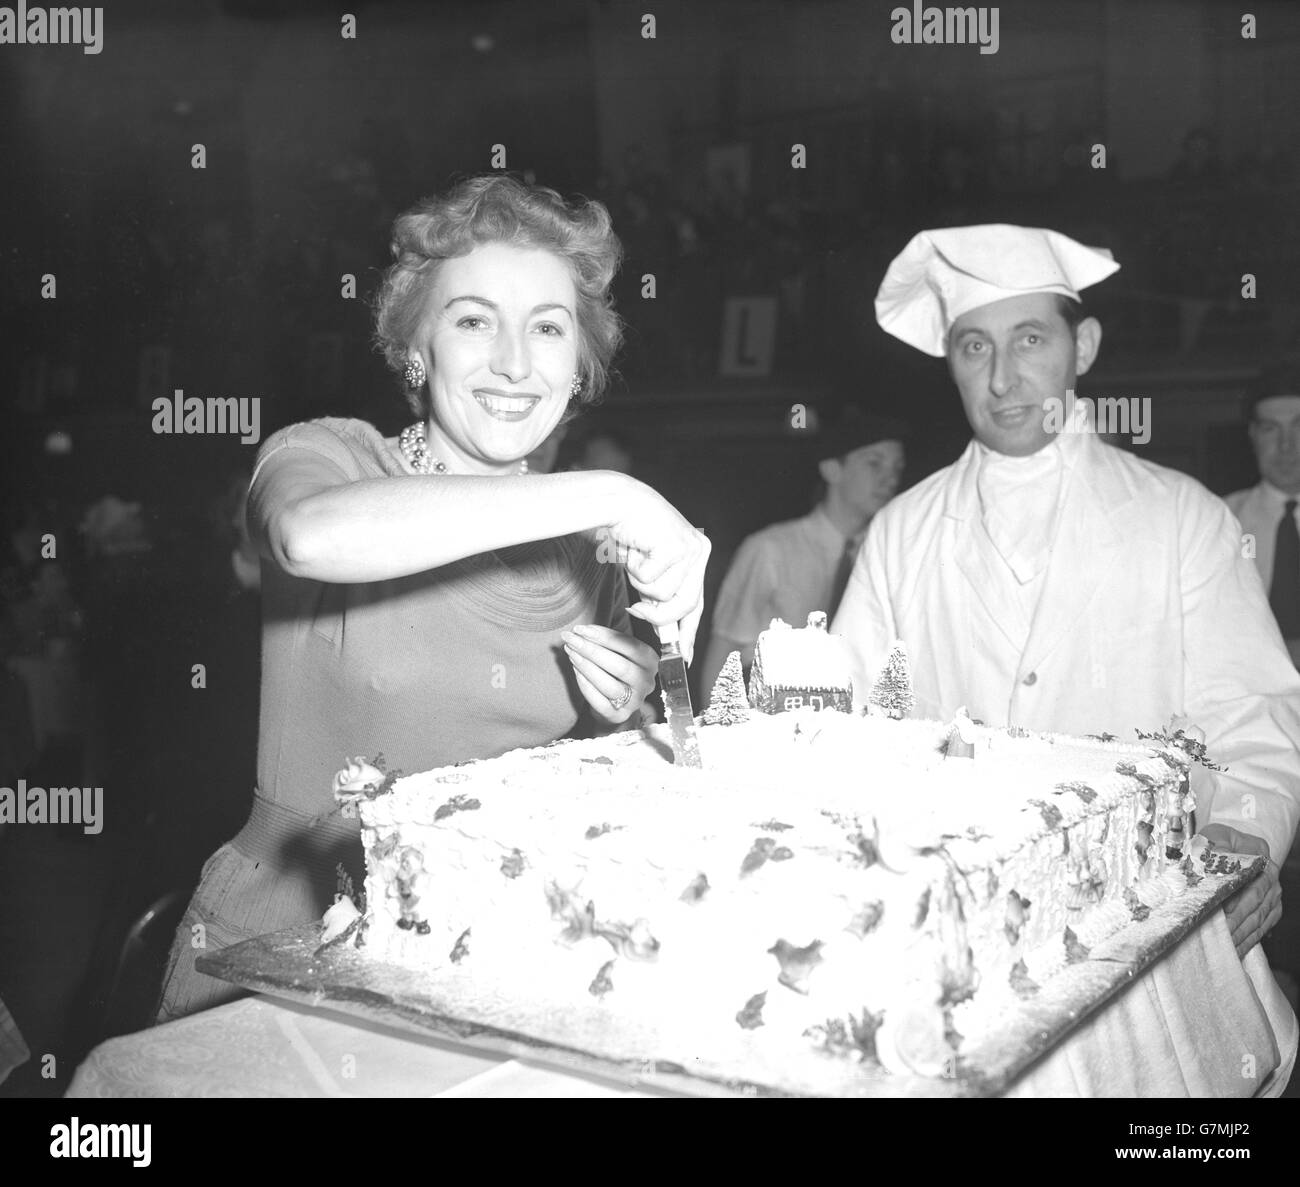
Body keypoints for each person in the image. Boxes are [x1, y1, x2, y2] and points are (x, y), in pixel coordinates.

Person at [154, 175, 710, 1022]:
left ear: (579, 368)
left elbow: (637, 799)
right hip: (269, 957)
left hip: (482, 961)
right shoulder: (331, 457)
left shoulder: (590, 551)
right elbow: (308, 535)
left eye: (549, 329)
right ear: (418, 347)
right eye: (474, 319)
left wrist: (632, 705)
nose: (515, 362)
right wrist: (618, 492)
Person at [833, 224, 1300, 1094]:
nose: (1003, 378)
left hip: (1157, 945)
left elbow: (1256, 720)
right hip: (969, 965)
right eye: (976, 347)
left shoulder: (1183, 519)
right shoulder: (899, 535)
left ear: (1082, 346)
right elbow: (853, 738)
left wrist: (1245, 846)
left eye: (1030, 340)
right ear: (951, 361)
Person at [699, 409, 905, 701]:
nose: (890, 479)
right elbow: (724, 654)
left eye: (897, 468)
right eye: (874, 464)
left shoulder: (885, 556)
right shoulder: (770, 549)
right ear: (832, 469)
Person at [1225, 363, 1300, 668]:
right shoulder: (1221, 520)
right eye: (1271, 429)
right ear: (1253, 435)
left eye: (1299, 426)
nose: (1287, 446)